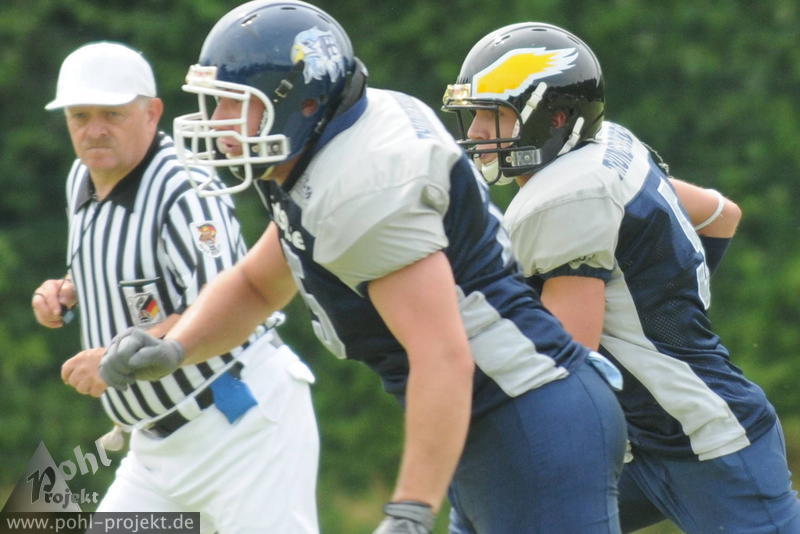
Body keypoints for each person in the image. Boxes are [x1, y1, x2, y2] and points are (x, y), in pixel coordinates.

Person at [96, 2, 628, 533]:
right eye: (216, 103)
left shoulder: (360, 189)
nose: (218, 123)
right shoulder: (324, 145)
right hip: (501, 417)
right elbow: (258, 285)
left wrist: (411, 509)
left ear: (302, 101)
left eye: (236, 103)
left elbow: (441, 356)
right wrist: (177, 348)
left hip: (527, 417)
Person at [441, 21, 800, 534]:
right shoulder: (609, 148)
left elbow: (567, 373)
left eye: (494, 114)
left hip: (706, 443)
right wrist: (661, 303)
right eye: (475, 113)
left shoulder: (566, 196)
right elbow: (721, 214)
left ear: (555, 118)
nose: (476, 131)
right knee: (487, 512)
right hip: (646, 438)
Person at [32, 41, 319, 533]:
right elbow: (127, 264)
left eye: (111, 114)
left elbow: (221, 307)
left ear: (152, 113)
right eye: (80, 116)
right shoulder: (82, 176)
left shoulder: (185, 188)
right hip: (155, 448)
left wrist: (115, 360)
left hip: (239, 423)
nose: (94, 130)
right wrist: (69, 290)